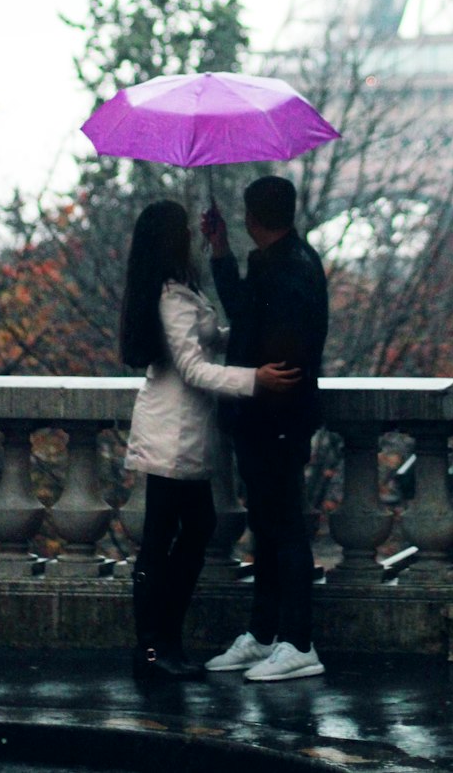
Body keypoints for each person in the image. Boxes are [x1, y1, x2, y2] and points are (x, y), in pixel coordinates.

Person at [121, 199, 299, 682]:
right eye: (184, 229)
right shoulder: (171, 295)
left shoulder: (179, 288)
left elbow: (208, 340)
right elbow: (194, 369)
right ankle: (155, 650)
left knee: (185, 534)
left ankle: (162, 645)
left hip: (184, 434)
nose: (189, 235)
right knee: (166, 541)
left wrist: (242, 316)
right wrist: (254, 378)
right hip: (172, 434)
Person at [200, 174, 329, 683]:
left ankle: (295, 641)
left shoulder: (280, 268)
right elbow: (252, 317)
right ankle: (267, 633)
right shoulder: (294, 262)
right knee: (273, 527)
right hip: (278, 415)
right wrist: (221, 251)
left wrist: (257, 379)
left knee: (283, 529)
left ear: (253, 217)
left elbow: (253, 331)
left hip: (272, 414)